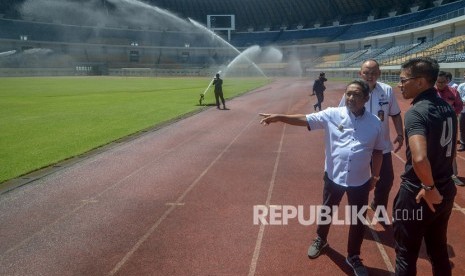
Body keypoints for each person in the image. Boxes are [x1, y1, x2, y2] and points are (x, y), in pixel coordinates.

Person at [260, 79, 383, 276]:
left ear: (366, 98)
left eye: (356, 94)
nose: (351, 97)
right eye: (348, 93)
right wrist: (280, 117)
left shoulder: (376, 123)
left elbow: (378, 152)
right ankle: (321, 238)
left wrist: (375, 177)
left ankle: (353, 256)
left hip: (360, 181)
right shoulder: (333, 114)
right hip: (334, 177)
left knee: (358, 219)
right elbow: (305, 119)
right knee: (327, 210)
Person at [393, 57, 457, 276]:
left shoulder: (416, 112)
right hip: (446, 190)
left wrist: (429, 188)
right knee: (438, 250)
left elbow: (420, 159)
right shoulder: (447, 109)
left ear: (420, 82)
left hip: (420, 194)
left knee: (405, 254)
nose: (399, 85)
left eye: (403, 80)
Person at [339, 59, 404, 216]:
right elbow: (340, 115)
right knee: (356, 183)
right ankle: (357, 214)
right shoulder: (352, 91)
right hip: (358, 146)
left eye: (374, 73)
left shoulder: (387, 90)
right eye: (366, 73)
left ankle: (378, 205)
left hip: (382, 146)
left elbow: (395, 114)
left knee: (386, 180)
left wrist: (400, 134)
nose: (370, 76)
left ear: (379, 73)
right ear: (360, 73)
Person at [435, 70, 464, 186]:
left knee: (450, 149)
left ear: (447, 81)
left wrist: (450, 113)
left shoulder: (453, 92)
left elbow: (459, 106)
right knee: (435, 148)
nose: (440, 84)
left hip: (450, 124)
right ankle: (435, 174)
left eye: (442, 82)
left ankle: (454, 175)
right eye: (438, 82)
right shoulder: (431, 92)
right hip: (435, 125)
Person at [457, 72, 465, 152]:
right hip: (463, 111)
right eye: (464, 76)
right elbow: (458, 97)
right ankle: (463, 144)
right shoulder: (461, 86)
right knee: (462, 128)